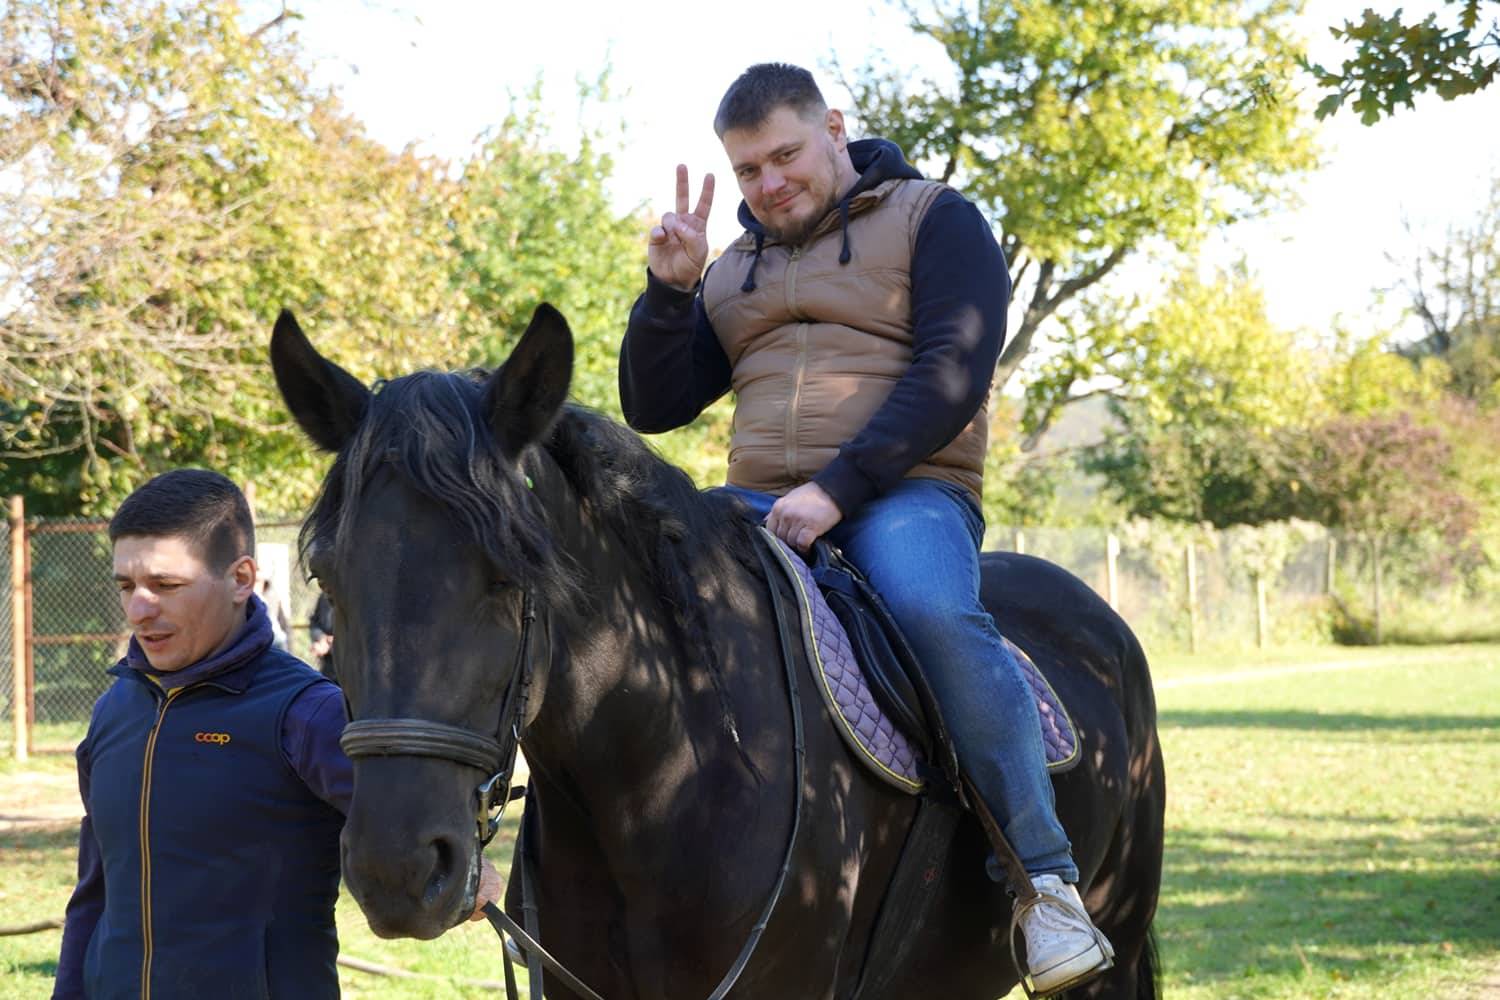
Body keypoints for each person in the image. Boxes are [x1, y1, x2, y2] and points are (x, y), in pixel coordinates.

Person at [619, 63, 1111, 996]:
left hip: (906, 491)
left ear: (835, 128)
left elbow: (955, 369)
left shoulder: (934, 219)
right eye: (749, 169)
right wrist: (669, 295)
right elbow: (654, 407)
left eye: (786, 156)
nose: (769, 184)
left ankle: (1045, 886)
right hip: (755, 504)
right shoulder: (734, 268)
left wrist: (837, 490)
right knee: (635, 593)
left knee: (931, 612)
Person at [52, 469, 498, 999]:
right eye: (126, 586)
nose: (139, 609)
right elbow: (94, 892)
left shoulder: (307, 713)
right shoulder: (113, 711)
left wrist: (470, 873)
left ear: (241, 579)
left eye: (166, 585)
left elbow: (409, 825)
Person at [309, 591, 335, 677]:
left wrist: (331, 645)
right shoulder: (325, 595)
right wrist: (321, 638)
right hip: (328, 666)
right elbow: (314, 622)